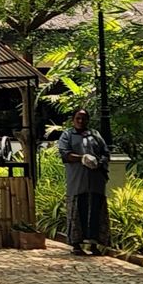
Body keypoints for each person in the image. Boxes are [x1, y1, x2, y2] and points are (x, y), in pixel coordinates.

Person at [57, 108, 111, 254]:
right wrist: (81, 158)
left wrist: (99, 162)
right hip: (77, 180)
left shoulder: (95, 135)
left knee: (95, 210)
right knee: (77, 211)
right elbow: (64, 154)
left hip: (95, 181)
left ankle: (94, 244)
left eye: (83, 118)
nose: (81, 121)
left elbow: (105, 152)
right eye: (78, 118)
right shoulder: (67, 135)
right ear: (73, 120)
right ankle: (76, 244)